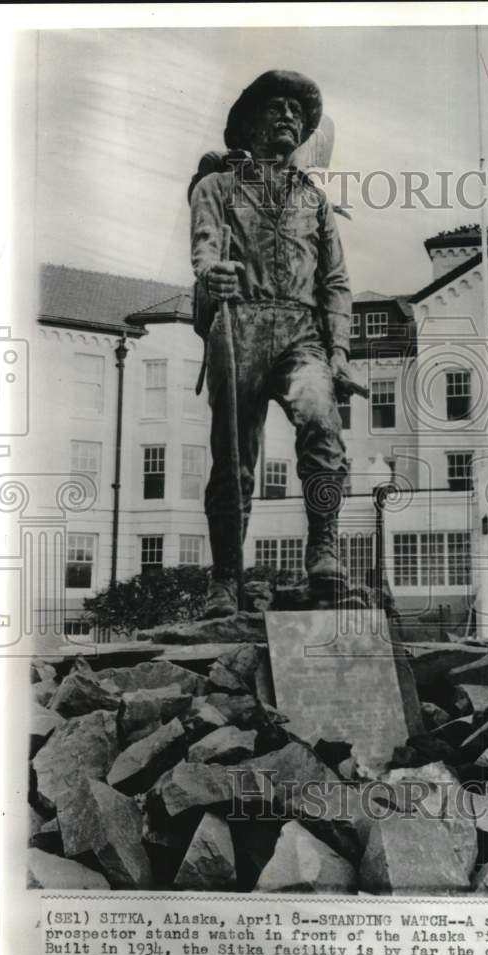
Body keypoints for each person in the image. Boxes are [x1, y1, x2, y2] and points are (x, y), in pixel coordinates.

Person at [189, 70, 352, 616]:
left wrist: (341, 352)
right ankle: (224, 579)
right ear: (250, 123)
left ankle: (324, 550)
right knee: (234, 458)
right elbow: (206, 247)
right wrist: (213, 277)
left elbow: (335, 283)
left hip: (302, 332)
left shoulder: (316, 202)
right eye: (275, 107)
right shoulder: (217, 187)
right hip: (240, 325)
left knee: (321, 423)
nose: (289, 117)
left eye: (297, 112)